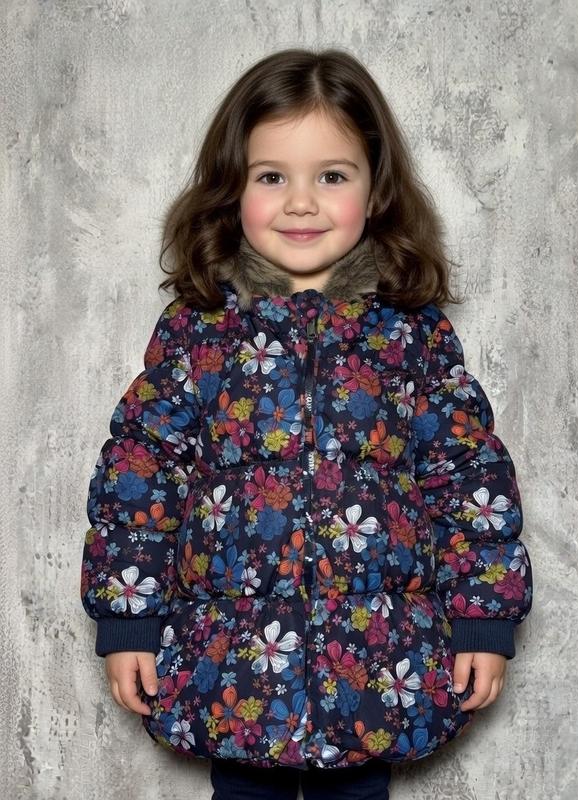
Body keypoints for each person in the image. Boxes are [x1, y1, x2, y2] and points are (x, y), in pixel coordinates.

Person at [79, 48, 533, 800]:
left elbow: (467, 479)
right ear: (232, 188)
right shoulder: (198, 333)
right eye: (271, 177)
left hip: (376, 662)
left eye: (331, 176)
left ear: (375, 190)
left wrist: (483, 618)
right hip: (231, 663)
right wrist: (128, 620)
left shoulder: (410, 337)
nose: (300, 203)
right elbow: (140, 473)